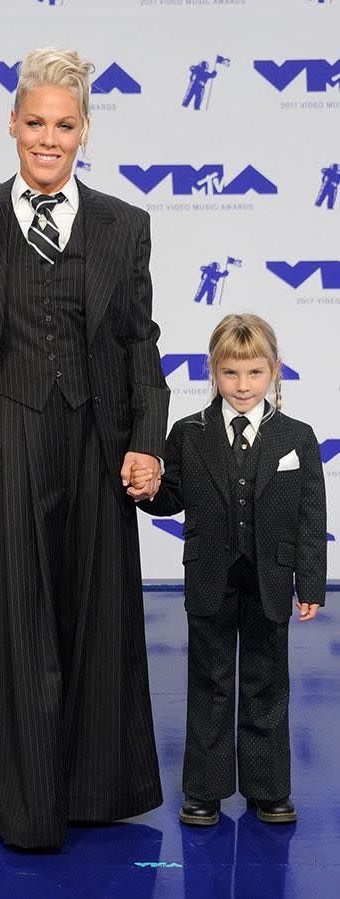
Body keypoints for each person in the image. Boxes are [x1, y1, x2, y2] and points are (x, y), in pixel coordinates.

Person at [0, 48, 170, 850]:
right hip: (14, 434)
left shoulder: (124, 226)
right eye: (35, 122)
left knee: (101, 622)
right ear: (12, 122)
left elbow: (141, 347)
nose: (48, 137)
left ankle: (95, 793)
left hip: (100, 441)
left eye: (65, 125)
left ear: (85, 131)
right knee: (24, 624)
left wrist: (147, 440)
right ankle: (28, 809)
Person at [138, 313, 327, 827]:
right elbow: (171, 496)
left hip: (270, 578)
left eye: (254, 374)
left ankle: (268, 789)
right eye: (230, 374)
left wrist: (310, 582)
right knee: (210, 681)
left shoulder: (298, 437)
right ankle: (205, 788)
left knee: (268, 683)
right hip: (209, 577)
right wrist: (150, 488)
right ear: (212, 372)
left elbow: (312, 516)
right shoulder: (188, 433)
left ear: (275, 372)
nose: (242, 386)